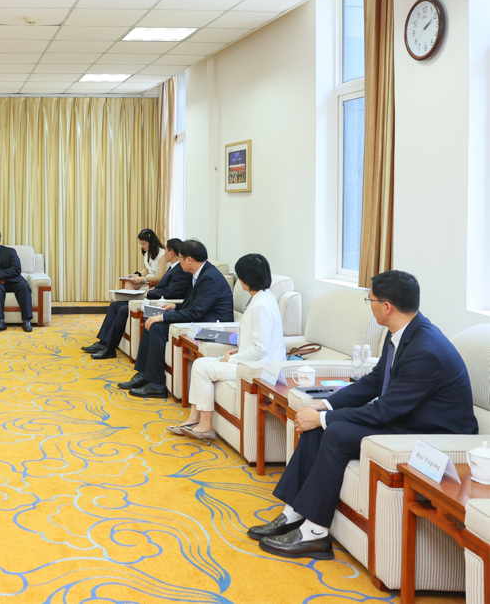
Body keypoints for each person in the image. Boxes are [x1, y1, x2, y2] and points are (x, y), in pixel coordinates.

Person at [249, 270, 477, 560]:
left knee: (334, 431)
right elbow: (374, 381)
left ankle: (315, 534)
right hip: (407, 418)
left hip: (433, 435)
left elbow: (384, 410)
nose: (369, 305)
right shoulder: (401, 333)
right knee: (318, 427)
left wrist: (323, 419)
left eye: (371, 300)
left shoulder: (426, 351)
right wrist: (325, 407)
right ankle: (294, 513)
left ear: (387, 306)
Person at [168, 253, 285, 441]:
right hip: (251, 360)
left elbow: (261, 349)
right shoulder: (263, 298)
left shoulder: (261, 306)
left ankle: (205, 426)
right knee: (199, 364)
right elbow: (258, 339)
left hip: (258, 367)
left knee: (202, 368)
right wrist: (237, 350)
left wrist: (233, 358)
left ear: (246, 279)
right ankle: (194, 419)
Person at [120, 239, 233, 399]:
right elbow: (195, 305)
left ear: (189, 259)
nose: (179, 262)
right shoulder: (201, 272)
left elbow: (195, 312)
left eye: (180, 258)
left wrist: (162, 317)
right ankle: (144, 375)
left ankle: (157, 385)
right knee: (150, 322)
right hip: (201, 318)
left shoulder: (209, 278)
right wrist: (175, 306)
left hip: (211, 326)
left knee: (157, 326)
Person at [85, 238, 191, 360]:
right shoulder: (173, 267)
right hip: (154, 297)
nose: (164, 252)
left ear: (171, 253)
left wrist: (150, 293)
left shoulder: (181, 271)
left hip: (161, 302)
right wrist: (152, 290)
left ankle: (110, 348)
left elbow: (171, 292)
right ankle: (102, 343)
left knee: (123, 309)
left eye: (166, 250)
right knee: (115, 305)